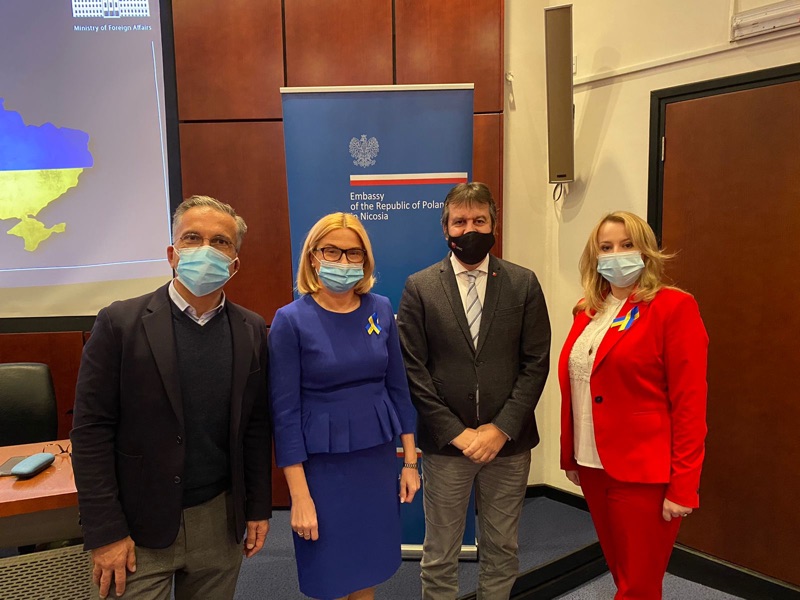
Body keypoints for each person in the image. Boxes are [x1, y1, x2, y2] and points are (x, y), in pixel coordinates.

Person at [70, 195, 272, 599]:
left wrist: (257, 508)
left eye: (220, 242)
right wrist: (106, 531)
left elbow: (254, 427)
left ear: (234, 263)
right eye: (192, 238)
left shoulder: (251, 329)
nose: (205, 250)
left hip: (219, 520)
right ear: (172, 253)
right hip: (136, 525)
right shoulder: (119, 323)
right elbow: (91, 432)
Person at [397, 182, 551, 599]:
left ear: (493, 225)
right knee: (440, 554)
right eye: (460, 221)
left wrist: (500, 429)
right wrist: (457, 433)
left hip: (509, 445)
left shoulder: (523, 283)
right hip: (448, 447)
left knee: (503, 551)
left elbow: (536, 362)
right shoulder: (420, 287)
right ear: (445, 229)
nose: (470, 229)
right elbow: (413, 369)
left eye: (479, 220)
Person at [269, 212, 419, 600]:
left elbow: (398, 387)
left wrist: (409, 462)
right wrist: (299, 496)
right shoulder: (290, 321)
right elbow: (284, 416)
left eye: (354, 253)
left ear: (365, 260)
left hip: (375, 462)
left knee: (368, 568)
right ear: (313, 256)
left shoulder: (381, 309)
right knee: (331, 576)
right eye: (331, 251)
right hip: (322, 472)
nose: (343, 261)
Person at [559, 211, 708, 599]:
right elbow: (580, 386)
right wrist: (571, 454)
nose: (616, 255)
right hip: (592, 464)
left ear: (646, 251)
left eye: (627, 245)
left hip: (644, 472)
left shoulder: (673, 307)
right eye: (606, 247)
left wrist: (684, 485)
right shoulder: (587, 310)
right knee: (621, 572)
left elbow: (690, 405)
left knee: (638, 584)